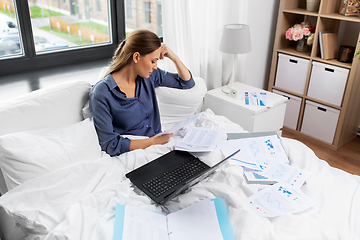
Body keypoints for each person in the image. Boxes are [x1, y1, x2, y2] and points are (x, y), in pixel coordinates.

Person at [89, 29, 195, 156]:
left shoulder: (149, 76)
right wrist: (152, 142)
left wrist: (172, 56)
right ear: (136, 57)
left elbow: (186, 82)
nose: (155, 66)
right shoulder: (102, 93)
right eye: (153, 61)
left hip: (159, 146)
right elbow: (109, 144)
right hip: (132, 153)